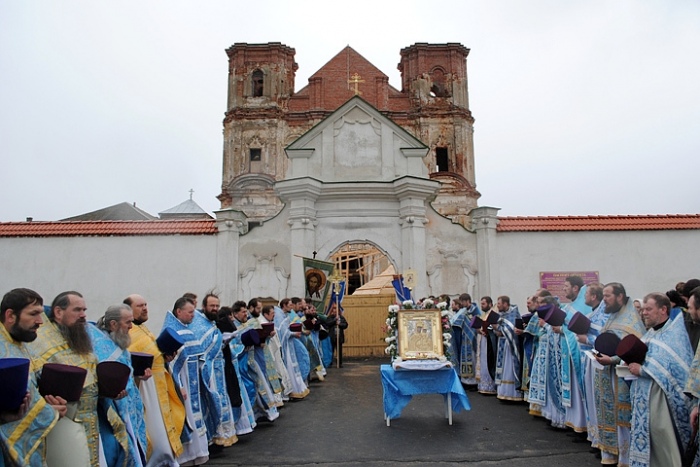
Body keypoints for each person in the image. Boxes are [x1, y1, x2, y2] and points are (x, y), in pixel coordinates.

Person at [29, 291, 101, 465]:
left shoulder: (79, 338)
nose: (83, 315)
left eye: (84, 309)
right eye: (77, 310)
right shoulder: (40, 343)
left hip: (91, 422)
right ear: (58, 312)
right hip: (61, 427)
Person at [625, 293, 693, 467]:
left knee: (662, 438)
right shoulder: (651, 333)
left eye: (649, 309)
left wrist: (642, 369)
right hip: (644, 396)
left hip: (661, 399)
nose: (644, 313)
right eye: (644, 309)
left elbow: (674, 366)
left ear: (663, 310)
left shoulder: (673, 334)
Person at [0, 288, 64, 466]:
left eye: (41, 314)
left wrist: (53, 401)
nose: (40, 322)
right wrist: (50, 413)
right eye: (34, 314)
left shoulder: (18, 342)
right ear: (10, 315)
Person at [125, 294, 185, 466]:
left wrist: (164, 357)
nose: (145, 308)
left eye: (145, 304)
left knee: (165, 438)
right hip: (146, 391)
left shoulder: (143, 329)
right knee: (157, 440)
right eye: (139, 306)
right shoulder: (130, 333)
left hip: (159, 390)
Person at [593, 282, 645, 467]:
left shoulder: (632, 321)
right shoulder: (611, 317)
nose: (604, 300)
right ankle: (609, 454)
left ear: (620, 296)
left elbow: (635, 350)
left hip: (622, 378)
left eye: (607, 296)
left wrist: (613, 359)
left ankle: (624, 458)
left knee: (622, 417)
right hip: (606, 374)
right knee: (607, 412)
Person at [92, 304, 146, 466]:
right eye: (128, 322)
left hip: (129, 406)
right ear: (113, 324)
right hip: (111, 411)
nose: (131, 326)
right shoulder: (102, 348)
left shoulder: (116, 343)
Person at [161, 296, 209, 466]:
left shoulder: (186, 329)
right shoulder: (172, 332)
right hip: (184, 383)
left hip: (193, 381)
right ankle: (185, 456)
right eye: (189, 313)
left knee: (195, 416)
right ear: (178, 312)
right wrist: (178, 386)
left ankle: (197, 453)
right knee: (186, 416)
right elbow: (171, 364)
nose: (192, 316)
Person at [191, 293, 238, 452]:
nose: (215, 309)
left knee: (221, 399)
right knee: (212, 401)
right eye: (212, 306)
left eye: (217, 306)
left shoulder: (212, 323)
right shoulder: (199, 324)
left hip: (218, 368)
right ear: (204, 306)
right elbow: (200, 349)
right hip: (207, 371)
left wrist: (225, 341)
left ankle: (222, 436)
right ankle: (213, 437)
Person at [492, 295, 523, 401]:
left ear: (505, 304)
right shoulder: (501, 315)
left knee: (510, 368)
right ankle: (503, 392)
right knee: (503, 368)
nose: (498, 306)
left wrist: (498, 328)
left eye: (499, 304)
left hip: (511, 347)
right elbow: (499, 331)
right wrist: (496, 330)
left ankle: (513, 393)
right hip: (502, 344)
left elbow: (511, 329)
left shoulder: (514, 314)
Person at [450, 293, 479, 386]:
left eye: (463, 301)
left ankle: (474, 382)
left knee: (473, 360)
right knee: (464, 359)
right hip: (464, 338)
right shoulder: (464, 311)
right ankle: (466, 381)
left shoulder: (475, 310)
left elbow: (477, 323)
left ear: (467, 301)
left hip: (472, 338)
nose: (461, 303)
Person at [476, 296, 497, 395]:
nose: (482, 306)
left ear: (490, 304)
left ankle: (490, 386)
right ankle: (483, 386)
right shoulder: (483, 315)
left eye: (484, 304)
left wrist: (487, 331)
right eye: (481, 304)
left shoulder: (493, 314)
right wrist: (479, 330)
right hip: (482, 340)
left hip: (489, 341)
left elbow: (494, 328)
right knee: (483, 361)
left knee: (489, 361)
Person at [323, 302, 348, 368]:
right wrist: (334, 320)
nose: (334, 312)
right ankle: (330, 362)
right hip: (332, 336)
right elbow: (327, 324)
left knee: (339, 351)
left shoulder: (342, 318)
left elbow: (345, 325)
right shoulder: (330, 317)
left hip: (339, 336)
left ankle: (339, 363)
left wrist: (340, 324)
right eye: (333, 310)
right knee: (331, 350)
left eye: (336, 310)